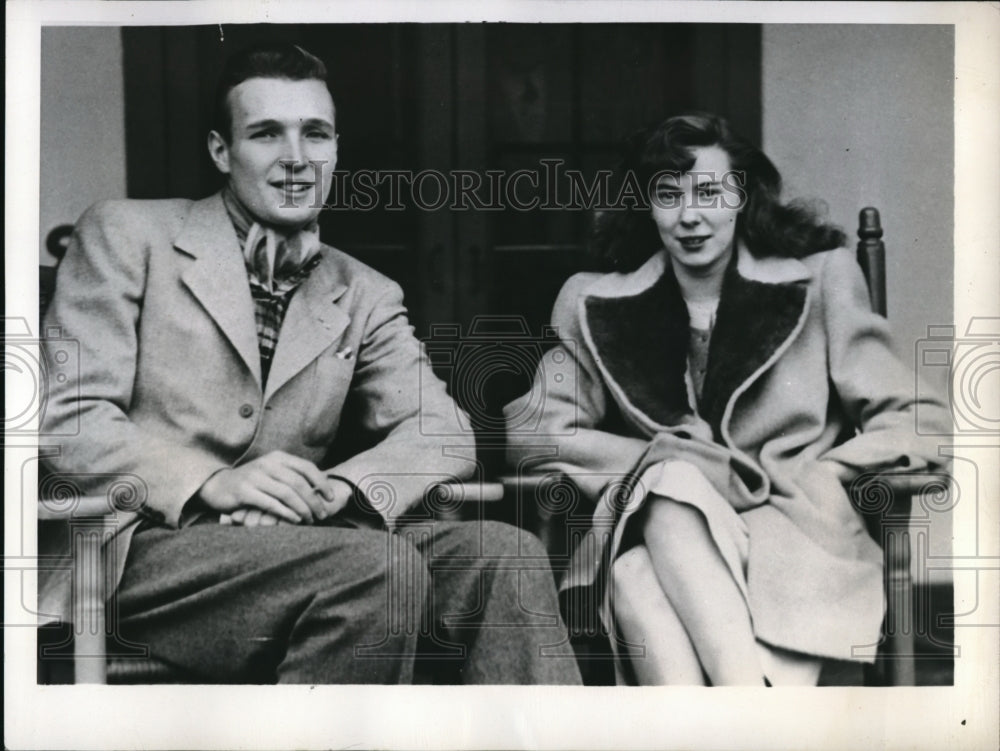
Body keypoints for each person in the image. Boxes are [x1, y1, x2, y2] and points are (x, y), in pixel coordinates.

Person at [39, 42, 581, 685]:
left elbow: (444, 431)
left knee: (505, 554)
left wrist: (338, 492)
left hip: (307, 546)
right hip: (141, 551)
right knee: (376, 568)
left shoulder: (364, 291)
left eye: (315, 134)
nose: (296, 158)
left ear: (334, 150)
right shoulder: (128, 235)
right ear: (221, 151)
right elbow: (71, 422)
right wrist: (211, 482)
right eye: (266, 133)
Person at [505, 113, 950, 685]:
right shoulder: (594, 301)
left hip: (790, 533)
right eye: (668, 195)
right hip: (670, 533)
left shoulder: (820, 280)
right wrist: (671, 460)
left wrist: (829, 470)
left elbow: (919, 420)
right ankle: (750, 711)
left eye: (710, 192)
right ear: (647, 205)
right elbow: (532, 434)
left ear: (743, 196)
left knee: (636, 573)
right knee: (667, 493)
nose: (690, 215)